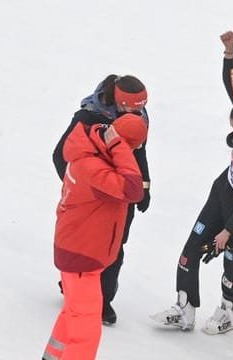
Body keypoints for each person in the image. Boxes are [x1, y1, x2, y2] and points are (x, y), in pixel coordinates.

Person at [150, 28, 233, 335]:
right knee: (189, 251)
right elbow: (232, 85)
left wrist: (227, 231)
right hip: (222, 193)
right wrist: (229, 52)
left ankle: (230, 312)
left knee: (232, 263)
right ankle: (185, 309)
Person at [42, 113, 147, 360]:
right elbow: (133, 189)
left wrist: (115, 144)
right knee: (86, 333)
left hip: (80, 253)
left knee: (72, 315)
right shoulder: (96, 168)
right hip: (81, 256)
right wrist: (120, 146)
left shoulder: (93, 154)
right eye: (134, 147)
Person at [52, 74, 151, 324]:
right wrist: (80, 187)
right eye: (132, 108)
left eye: (141, 108)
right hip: (91, 197)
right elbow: (61, 155)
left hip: (121, 193)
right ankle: (74, 286)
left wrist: (145, 186)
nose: (138, 114)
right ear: (119, 102)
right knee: (82, 243)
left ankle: (103, 300)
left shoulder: (138, 118)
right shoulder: (88, 116)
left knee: (114, 247)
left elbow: (139, 152)